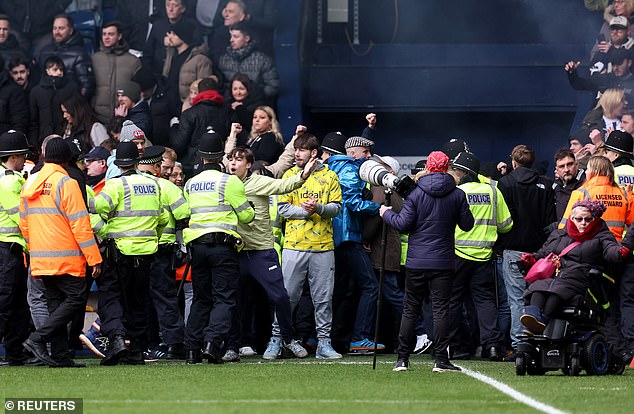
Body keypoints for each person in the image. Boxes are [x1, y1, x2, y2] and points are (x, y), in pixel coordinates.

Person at [381, 151, 474, 373]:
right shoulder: (457, 194)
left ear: (429, 167)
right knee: (441, 310)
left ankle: (402, 359)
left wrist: (385, 213)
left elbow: (403, 224)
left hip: (416, 262)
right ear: (447, 167)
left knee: (410, 309)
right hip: (443, 262)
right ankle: (441, 360)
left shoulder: (415, 193)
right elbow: (467, 225)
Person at [20, 137, 102, 367]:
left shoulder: (30, 182)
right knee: (76, 300)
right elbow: (80, 224)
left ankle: (60, 356)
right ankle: (37, 338)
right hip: (66, 257)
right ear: (67, 159)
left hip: (41, 257)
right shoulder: (66, 183)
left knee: (55, 304)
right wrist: (94, 258)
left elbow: (24, 223)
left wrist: (34, 249)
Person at [227, 145, 314, 361]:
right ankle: (232, 346)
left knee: (280, 296)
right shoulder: (225, 184)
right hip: (235, 252)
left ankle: (288, 339)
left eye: (238, 160)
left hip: (261, 252)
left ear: (248, 165)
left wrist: (303, 175)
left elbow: (285, 185)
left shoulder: (258, 181)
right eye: (231, 159)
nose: (233, 163)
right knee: (233, 301)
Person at [90, 141, 169, 366]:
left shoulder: (115, 186)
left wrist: (105, 232)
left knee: (110, 298)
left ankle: (117, 340)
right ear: (137, 161)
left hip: (119, 253)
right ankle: (136, 350)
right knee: (138, 302)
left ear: (117, 163)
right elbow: (162, 219)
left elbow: (97, 209)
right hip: (146, 253)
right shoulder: (153, 185)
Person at [182, 130, 255, 364]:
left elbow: (185, 213)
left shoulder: (191, 183)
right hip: (223, 247)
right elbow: (247, 216)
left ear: (202, 156)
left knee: (202, 298)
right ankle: (213, 344)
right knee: (224, 299)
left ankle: (192, 349)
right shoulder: (230, 181)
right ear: (221, 157)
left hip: (198, 247)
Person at [272, 132, 343, 359]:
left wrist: (319, 208)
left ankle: (324, 344)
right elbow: (282, 209)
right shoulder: (289, 175)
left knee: (323, 298)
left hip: (323, 247)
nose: (296, 154)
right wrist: (306, 211)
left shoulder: (330, 177)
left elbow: (337, 208)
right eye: (295, 149)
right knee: (287, 298)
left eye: (301, 150)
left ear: (314, 153)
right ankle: (276, 340)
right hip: (293, 246)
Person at [520, 200, 627, 334]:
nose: (583, 223)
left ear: (594, 219)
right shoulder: (559, 234)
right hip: (557, 273)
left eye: (588, 219)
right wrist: (532, 259)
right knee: (539, 287)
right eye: (579, 219)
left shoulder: (602, 235)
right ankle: (533, 317)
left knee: (558, 289)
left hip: (581, 276)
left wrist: (619, 252)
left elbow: (610, 250)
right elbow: (544, 252)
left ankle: (541, 322)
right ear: (571, 218)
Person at [447, 151, 513, 361]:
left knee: (453, 301)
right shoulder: (493, 192)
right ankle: (492, 347)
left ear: (462, 172)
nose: (452, 174)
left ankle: (454, 347)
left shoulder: (456, 191)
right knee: (485, 302)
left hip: (457, 255)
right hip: (484, 256)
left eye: (454, 170)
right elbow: (506, 225)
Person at [324, 135, 384, 353]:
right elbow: (351, 202)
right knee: (370, 286)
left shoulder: (331, 167)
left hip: (333, 235)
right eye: (365, 152)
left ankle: (327, 337)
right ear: (352, 153)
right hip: (348, 235)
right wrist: (377, 208)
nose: (368, 157)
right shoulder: (349, 168)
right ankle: (360, 338)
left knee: (340, 290)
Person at [496, 144, 556, 356]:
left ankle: (520, 344)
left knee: (516, 299)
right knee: (538, 297)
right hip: (540, 252)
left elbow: (502, 221)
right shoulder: (546, 184)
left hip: (513, 250)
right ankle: (537, 343)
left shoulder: (505, 183)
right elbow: (551, 223)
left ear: (513, 162)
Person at [137, 145, 190, 360]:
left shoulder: (127, 184)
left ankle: (142, 344)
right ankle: (174, 344)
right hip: (161, 249)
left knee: (139, 299)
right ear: (157, 166)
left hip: (132, 249)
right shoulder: (166, 187)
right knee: (165, 298)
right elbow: (184, 213)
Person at [0, 131, 31, 366]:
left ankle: (15, 352)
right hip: (8, 249)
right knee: (8, 302)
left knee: (15, 303)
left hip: (11, 250)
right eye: (23, 155)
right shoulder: (9, 182)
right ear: (15, 157)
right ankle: (14, 351)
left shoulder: (7, 178)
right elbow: (22, 218)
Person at [169, 77, 228, 178]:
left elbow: (178, 144)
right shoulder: (227, 113)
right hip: (220, 167)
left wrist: (174, 126)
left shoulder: (190, 114)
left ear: (199, 92)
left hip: (191, 169)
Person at [92, 21, 142, 125]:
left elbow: (138, 91)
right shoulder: (95, 59)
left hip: (126, 117)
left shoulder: (133, 61)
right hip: (98, 116)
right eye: (104, 34)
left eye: (110, 34)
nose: (106, 37)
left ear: (119, 36)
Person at [218, 23, 280, 106]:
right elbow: (221, 86)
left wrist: (254, 98)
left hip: (256, 108)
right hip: (230, 108)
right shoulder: (224, 60)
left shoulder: (262, 59)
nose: (231, 40)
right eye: (231, 36)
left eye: (236, 37)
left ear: (246, 38)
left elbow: (274, 85)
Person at [162, 19, 213, 117]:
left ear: (183, 36)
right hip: (169, 106)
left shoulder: (201, 59)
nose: (169, 36)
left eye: (174, 34)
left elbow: (204, 89)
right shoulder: (172, 54)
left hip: (188, 108)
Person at [37, 14, 95, 99]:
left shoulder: (79, 53)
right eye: (55, 28)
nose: (57, 32)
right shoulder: (45, 51)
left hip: (70, 106)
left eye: (61, 28)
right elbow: (39, 81)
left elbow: (87, 86)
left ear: (70, 31)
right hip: (48, 105)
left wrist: (74, 106)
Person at [27, 56, 77, 149]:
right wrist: (33, 144)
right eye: (55, 69)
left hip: (65, 137)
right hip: (43, 139)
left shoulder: (71, 88)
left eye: (61, 69)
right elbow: (33, 121)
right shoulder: (36, 91)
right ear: (47, 71)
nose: (59, 72)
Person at [227, 73, 264, 146]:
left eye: (242, 89)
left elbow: (251, 126)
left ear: (248, 89)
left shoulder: (257, 105)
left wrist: (240, 109)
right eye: (235, 89)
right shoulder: (227, 105)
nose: (238, 92)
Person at [553, 149, 586, 221]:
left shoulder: (587, 182)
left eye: (570, 164)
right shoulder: (555, 186)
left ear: (576, 165)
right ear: (557, 169)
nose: (566, 169)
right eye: (562, 166)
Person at [0, 55, 28, 135]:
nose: (19, 76)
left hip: (6, 140)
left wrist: (14, 140)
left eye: (22, 72)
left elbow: (19, 120)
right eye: (15, 73)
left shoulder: (14, 91)